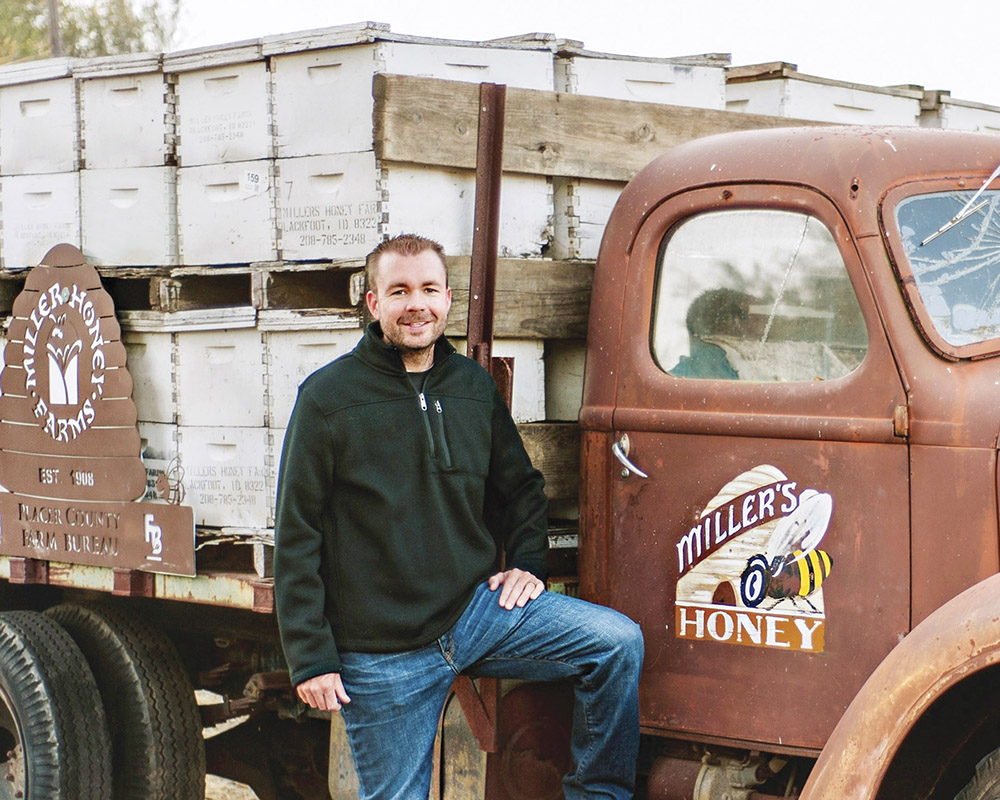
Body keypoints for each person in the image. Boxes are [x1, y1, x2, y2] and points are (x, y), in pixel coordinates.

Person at [273, 233, 644, 799]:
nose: (415, 303)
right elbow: (297, 534)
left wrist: (527, 563)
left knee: (616, 644)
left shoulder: (472, 388)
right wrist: (310, 659)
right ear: (374, 305)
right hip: (381, 652)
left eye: (427, 289)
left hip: (474, 616)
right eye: (398, 291)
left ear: (447, 297)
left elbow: (520, 488)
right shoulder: (328, 399)